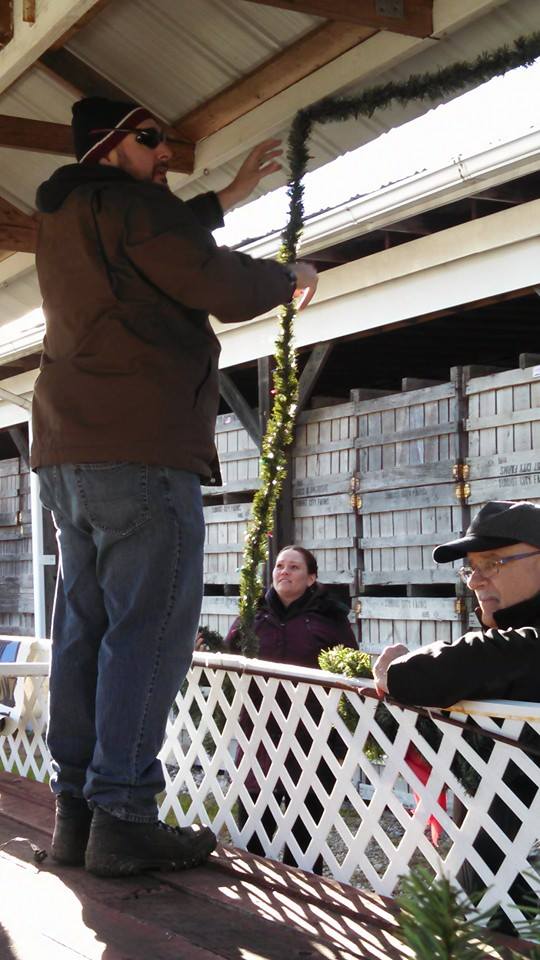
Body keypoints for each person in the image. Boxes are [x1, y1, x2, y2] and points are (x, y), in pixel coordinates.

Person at [30, 96, 318, 878]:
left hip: (66, 448)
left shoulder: (64, 212)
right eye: (153, 140)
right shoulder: (127, 205)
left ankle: (77, 815)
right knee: (149, 630)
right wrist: (284, 275)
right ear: (110, 146)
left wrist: (222, 201)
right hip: (141, 447)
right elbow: (206, 277)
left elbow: (154, 239)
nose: (168, 153)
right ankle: (124, 811)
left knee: (85, 633)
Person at [372, 499, 540, 930]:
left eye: (494, 561)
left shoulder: (521, 644)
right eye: (470, 568)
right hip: (491, 877)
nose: (476, 579)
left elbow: (421, 675)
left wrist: (399, 668)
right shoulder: (505, 641)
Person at [225, 546, 357, 873]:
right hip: (260, 737)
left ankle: (305, 910)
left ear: (311, 578)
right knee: (254, 833)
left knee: (305, 839)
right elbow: (229, 656)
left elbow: (350, 670)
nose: (284, 572)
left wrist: (341, 741)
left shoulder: (330, 619)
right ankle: (252, 900)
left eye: (294, 567)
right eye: (280, 566)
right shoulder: (252, 613)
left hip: (310, 740)